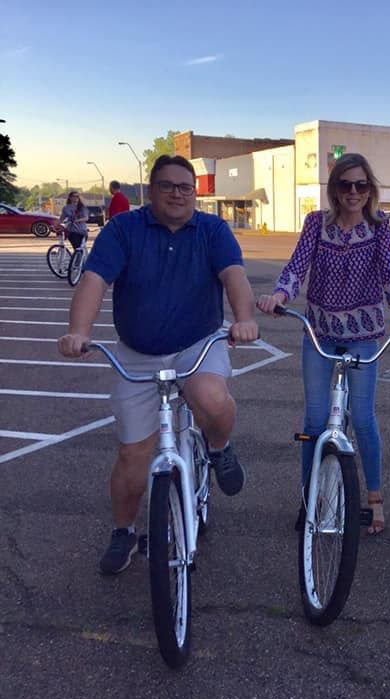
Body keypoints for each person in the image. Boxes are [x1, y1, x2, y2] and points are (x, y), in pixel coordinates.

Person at [58, 154, 259, 575]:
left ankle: (219, 448)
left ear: (194, 193)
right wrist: (79, 331)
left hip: (197, 344)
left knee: (210, 397)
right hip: (138, 352)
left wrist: (244, 320)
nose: (177, 194)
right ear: (151, 191)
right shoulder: (124, 230)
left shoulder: (213, 230)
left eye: (185, 187)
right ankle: (124, 532)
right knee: (133, 456)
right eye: (167, 186)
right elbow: (94, 280)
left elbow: (234, 276)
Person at [256, 153, 390, 536]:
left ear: (370, 189)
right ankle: (310, 496)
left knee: (363, 419)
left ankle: (374, 498)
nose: (353, 192)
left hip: (364, 336)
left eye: (361, 185)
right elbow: (297, 267)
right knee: (314, 421)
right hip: (320, 333)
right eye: (345, 185)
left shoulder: (379, 228)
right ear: (335, 189)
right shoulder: (316, 223)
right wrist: (280, 296)